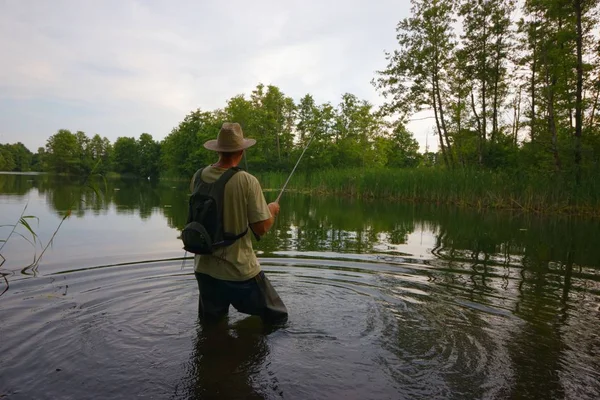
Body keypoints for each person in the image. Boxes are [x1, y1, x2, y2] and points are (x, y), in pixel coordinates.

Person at [191, 122, 288, 324]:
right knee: (278, 318)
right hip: (238, 270)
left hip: (204, 268)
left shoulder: (198, 176)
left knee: (212, 327)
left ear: (218, 150)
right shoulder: (247, 180)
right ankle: (252, 352)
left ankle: (214, 352)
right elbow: (261, 227)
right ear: (241, 151)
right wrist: (271, 210)